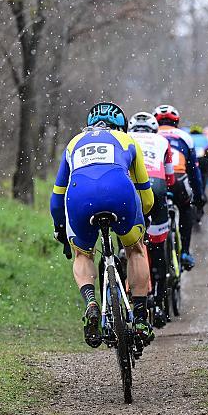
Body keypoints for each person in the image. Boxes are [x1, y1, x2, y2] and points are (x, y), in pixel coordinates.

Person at [50, 101, 155, 349]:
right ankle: (140, 318)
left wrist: (60, 229)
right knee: (136, 250)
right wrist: (141, 221)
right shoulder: (127, 141)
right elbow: (147, 196)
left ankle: (91, 303)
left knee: (82, 254)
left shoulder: (74, 143)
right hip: (120, 194)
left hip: (80, 198)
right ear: (122, 126)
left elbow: (56, 198)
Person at [127, 112, 175, 328]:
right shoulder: (162, 140)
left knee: (129, 246)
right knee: (158, 248)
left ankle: (127, 297)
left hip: (131, 190)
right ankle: (157, 303)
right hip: (156, 187)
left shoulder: (125, 140)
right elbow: (171, 178)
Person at [152, 104, 205, 271]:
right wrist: (198, 197)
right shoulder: (184, 136)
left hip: (156, 180)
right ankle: (185, 253)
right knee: (185, 208)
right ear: (176, 121)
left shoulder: (151, 136)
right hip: (178, 181)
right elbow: (194, 171)